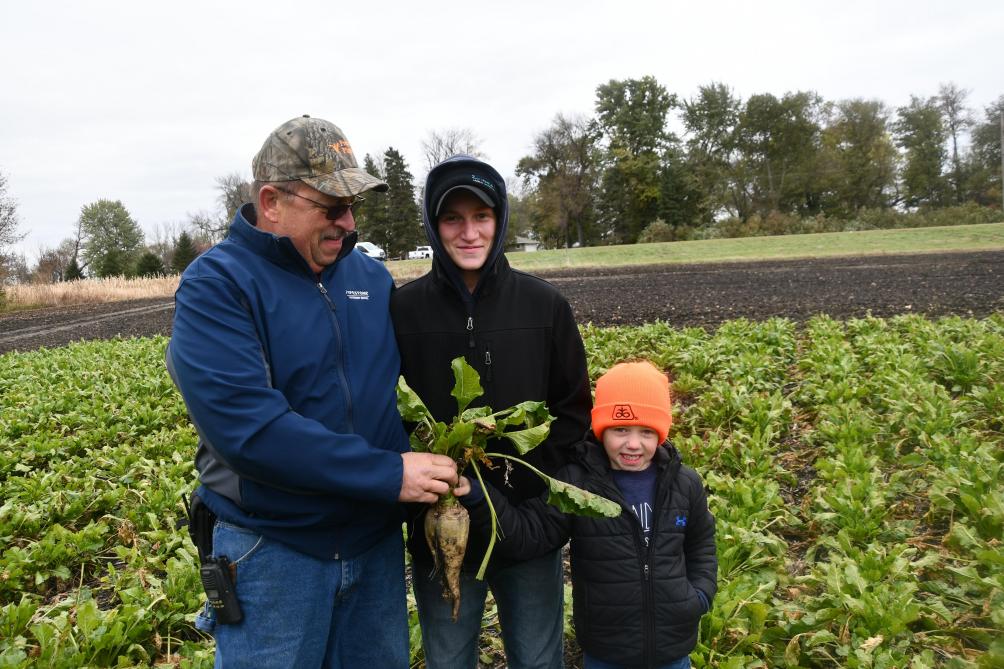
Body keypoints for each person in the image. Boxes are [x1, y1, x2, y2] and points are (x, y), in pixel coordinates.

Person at [166, 115, 459, 668]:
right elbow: (249, 430)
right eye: (331, 207)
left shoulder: (369, 280)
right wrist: (391, 474)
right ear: (272, 201)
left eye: (354, 208)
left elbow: (397, 394)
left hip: (372, 549)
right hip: (275, 552)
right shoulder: (219, 285)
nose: (347, 224)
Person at [391, 155, 592, 669]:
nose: (469, 232)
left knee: (537, 658)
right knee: (449, 657)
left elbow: (572, 413)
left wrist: (546, 502)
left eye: (481, 216)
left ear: (500, 221)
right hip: (443, 524)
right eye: (452, 219)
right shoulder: (402, 311)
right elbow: (387, 414)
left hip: (527, 526)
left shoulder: (544, 306)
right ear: (434, 229)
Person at [458, 360, 718, 669]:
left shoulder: (684, 483)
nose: (633, 444)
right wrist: (478, 496)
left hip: (673, 647)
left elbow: (701, 543)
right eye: (621, 429)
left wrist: (699, 596)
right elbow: (530, 533)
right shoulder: (578, 483)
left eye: (646, 432)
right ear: (601, 429)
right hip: (606, 649)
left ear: (661, 433)